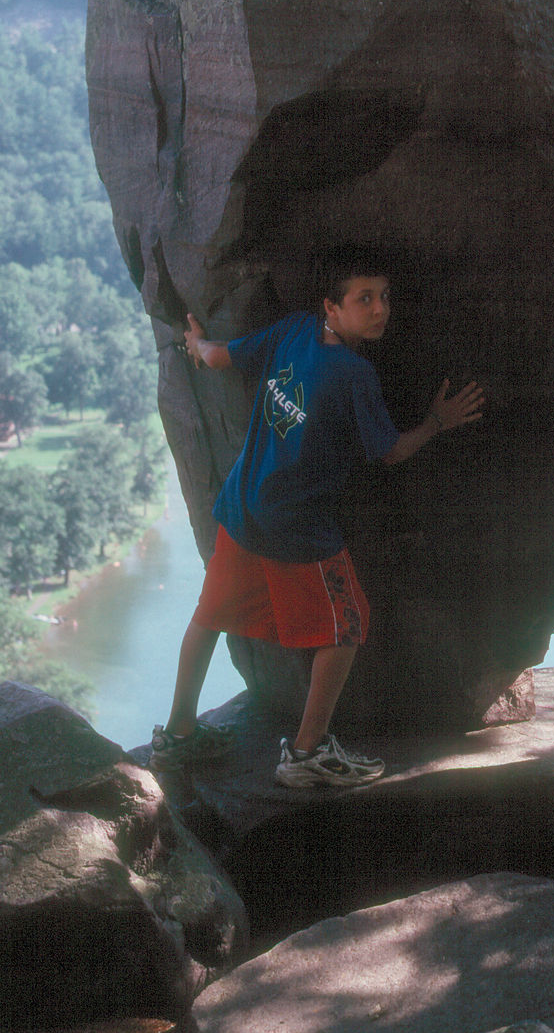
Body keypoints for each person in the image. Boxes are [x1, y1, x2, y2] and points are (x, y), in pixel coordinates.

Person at [150, 246, 484, 788]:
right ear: (332, 306)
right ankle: (306, 755)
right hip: (295, 526)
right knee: (346, 625)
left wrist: (194, 342)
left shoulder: (294, 330)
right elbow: (391, 452)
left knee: (208, 617)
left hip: (243, 506)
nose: (380, 310)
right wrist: (437, 422)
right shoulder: (353, 374)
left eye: (384, 297)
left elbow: (217, 357)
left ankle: (178, 736)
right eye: (365, 299)